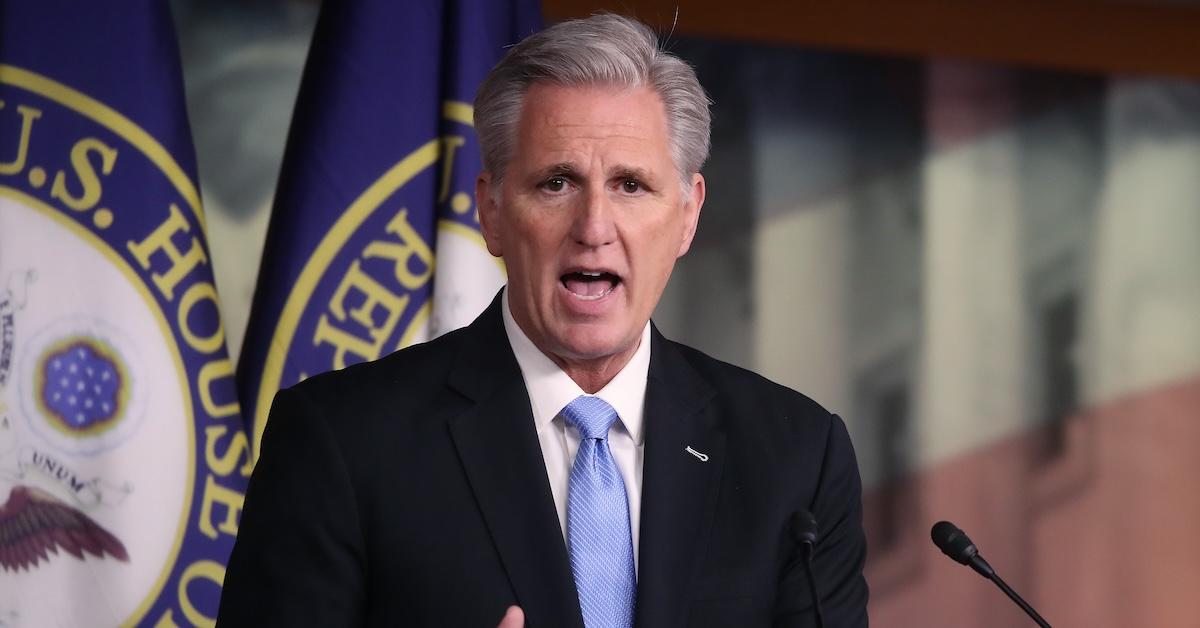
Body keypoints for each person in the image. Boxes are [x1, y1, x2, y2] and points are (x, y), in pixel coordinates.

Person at [218, 13, 868, 628]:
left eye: (631, 186)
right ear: (493, 211)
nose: (593, 228)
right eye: (556, 183)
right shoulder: (341, 445)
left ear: (688, 215)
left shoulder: (795, 460)